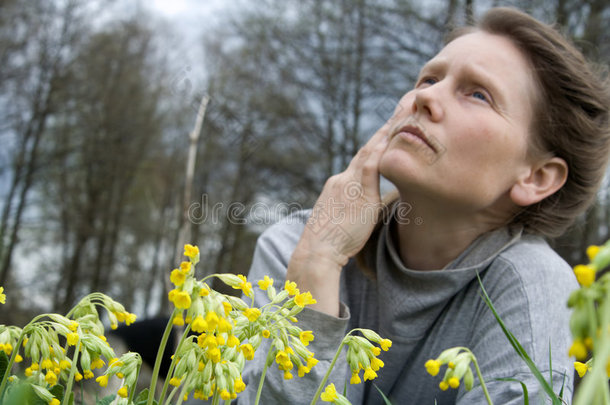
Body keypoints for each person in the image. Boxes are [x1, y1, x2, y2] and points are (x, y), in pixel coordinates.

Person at [239, 7, 610, 404]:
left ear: (536, 177)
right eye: (429, 78)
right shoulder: (299, 245)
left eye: (478, 94)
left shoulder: (531, 285)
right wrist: (318, 265)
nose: (425, 97)